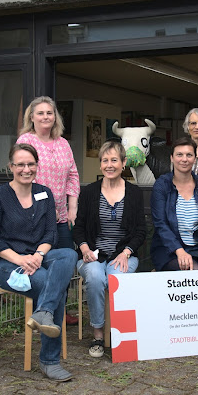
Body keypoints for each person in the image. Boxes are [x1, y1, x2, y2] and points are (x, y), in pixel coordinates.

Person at [0, 144, 78, 382]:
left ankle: (43, 312)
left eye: (31, 164)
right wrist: (20, 259)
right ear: (11, 167)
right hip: (6, 263)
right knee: (47, 281)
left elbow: (51, 235)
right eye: (20, 165)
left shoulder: (44, 194)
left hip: (38, 257)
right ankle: (49, 361)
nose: (26, 169)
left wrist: (38, 255)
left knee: (68, 254)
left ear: (37, 165)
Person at [73, 141, 147, 358]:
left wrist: (127, 252)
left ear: (124, 163)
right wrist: (85, 249)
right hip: (92, 254)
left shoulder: (133, 193)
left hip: (122, 254)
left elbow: (141, 231)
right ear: (100, 165)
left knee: (116, 280)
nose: (109, 164)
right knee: (95, 277)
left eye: (114, 160)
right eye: (105, 160)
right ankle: (98, 334)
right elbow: (78, 228)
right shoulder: (89, 192)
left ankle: (120, 335)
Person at [17, 96, 80, 325]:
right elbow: (24, 178)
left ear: (56, 117)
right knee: (40, 267)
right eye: (40, 113)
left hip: (62, 218)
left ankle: (57, 312)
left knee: (64, 265)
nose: (45, 117)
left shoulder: (63, 143)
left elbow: (73, 175)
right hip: (36, 219)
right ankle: (40, 314)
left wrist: (72, 206)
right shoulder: (26, 141)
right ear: (31, 117)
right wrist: (43, 209)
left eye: (49, 113)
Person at [151, 137, 198, 271]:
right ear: (171, 158)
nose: (184, 159)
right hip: (169, 251)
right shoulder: (162, 185)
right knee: (194, 271)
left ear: (195, 158)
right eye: (179, 155)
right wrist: (179, 251)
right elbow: (160, 223)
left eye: (189, 155)